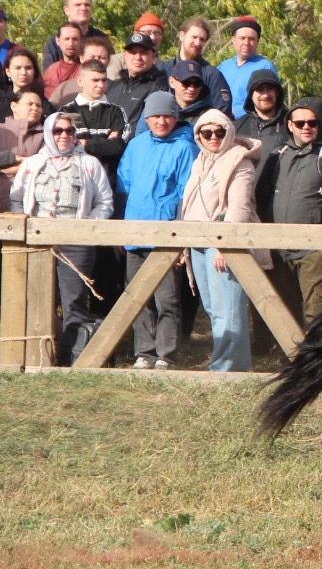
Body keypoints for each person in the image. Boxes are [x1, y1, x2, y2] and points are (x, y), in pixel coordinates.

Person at [10, 111, 115, 363]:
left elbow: (105, 202)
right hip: (38, 239)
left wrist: (88, 226)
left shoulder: (89, 164)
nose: (64, 135)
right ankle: (38, 356)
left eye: (69, 131)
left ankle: (71, 358)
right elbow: (16, 198)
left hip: (76, 240)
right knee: (37, 298)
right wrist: (25, 225)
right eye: (58, 131)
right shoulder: (32, 164)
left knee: (75, 299)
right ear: (48, 133)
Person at [255, 97, 322, 327]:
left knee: (318, 311)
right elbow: (262, 197)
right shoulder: (278, 154)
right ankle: (291, 359)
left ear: (321, 123)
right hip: (279, 247)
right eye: (300, 123)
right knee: (285, 311)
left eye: (312, 122)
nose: (306, 128)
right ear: (289, 124)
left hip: (314, 249)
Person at [179, 109, 269, 371]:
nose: (213, 137)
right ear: (199, 136)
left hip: (221, 244)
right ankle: (225, 362)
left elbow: (239, 208)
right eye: (207, 133)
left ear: (229, 132)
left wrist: (225, 246)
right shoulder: (200, 161)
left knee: (228, 308)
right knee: (212, 307)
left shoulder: (240, 161)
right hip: (197, 242)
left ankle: (229, 368)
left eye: (219, 132)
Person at [116, 91, 198, 369]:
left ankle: (166, 354)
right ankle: (144, 352)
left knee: (167, 299)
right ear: (147, 118)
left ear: (175, 117)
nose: (161, 121)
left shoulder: (185, 147)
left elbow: (187, 194)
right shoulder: (136, 146)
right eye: (155, 116)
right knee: (138, 297)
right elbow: (123, 185)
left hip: (166, 235)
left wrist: (180, 238)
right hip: (134, 231)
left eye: (167, 115)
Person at [58, 59, 128, 174]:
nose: (100, 85)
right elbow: (64, 147)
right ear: (80, 81)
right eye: (95, 80)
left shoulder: (116, 111)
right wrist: (105, 144)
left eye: (104, 80)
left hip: (108, 179)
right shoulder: (65, 111)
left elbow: (119, 146)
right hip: (74, 177)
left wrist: (84, 143)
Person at [162, 17, 231, 115]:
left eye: (202, 39)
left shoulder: (212, 75)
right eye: (194, 37)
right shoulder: (164, 69)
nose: (198, 43)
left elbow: (223, 112)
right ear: (182, 36)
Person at [217, 17, 278, 119]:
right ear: (233, 40)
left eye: (251, 39)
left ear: (257, 41)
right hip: (222, 123)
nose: (246, 43)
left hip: (251, 124)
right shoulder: (223, 67)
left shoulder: (264, 67)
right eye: (242, 38)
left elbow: (272, 101)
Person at [107, 31, 167, 130]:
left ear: (153, 56)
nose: (138, 57)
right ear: (125, 55)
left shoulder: (160, 87)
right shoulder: (114, 86)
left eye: (143, 52)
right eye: (133, 52)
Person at [234, 68, 290, 156]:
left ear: (277, 93)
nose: (265, 95)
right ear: (251, 94)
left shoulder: (292, 123)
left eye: (269, 89)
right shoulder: (238, 127)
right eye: (260, 89)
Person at [42, 0, 103, 67]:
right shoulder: (55, 43)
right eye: (78, 5)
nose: (83, 8)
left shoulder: (101, 38)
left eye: (87, 5)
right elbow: (49, 75)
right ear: (66, 10)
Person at [105, 11, 164, 80]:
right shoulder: (117, 61)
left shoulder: (164, 66)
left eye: (157, 33)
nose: (153, 37)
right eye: (148, 32)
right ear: (135, 34)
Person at [41, 23, 84, 101]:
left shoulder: (86, 70)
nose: (71, 44)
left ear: (81, 42)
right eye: (66, 39)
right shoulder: (51, 70)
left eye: (75, 39)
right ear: (58, 41)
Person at [168, 58, 217, 126]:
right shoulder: (161, 112)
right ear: (172, 82)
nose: (192, 88)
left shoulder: (211, 116)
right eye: (186, 82)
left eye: (197, 83)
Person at [1, 46, 44, 114]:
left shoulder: (43, 103)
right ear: (8, 71)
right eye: (18, 68)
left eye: (28, 68)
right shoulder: (2, 104)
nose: (23, 73)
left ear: (34, 71)